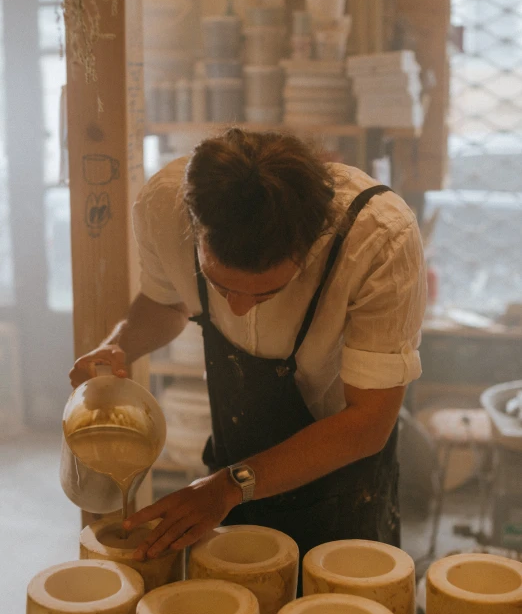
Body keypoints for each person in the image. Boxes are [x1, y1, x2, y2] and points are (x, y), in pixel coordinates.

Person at [70, 128, 426, 570]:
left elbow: (368, 422)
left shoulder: (378, 238)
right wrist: (118, 346)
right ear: (196, 229)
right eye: (219, 287)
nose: (235, 310)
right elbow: (167, 302)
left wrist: (227, 486)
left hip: (342, 478)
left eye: (264, 295)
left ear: (307, 246)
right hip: (231, 466)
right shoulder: (164, 207)